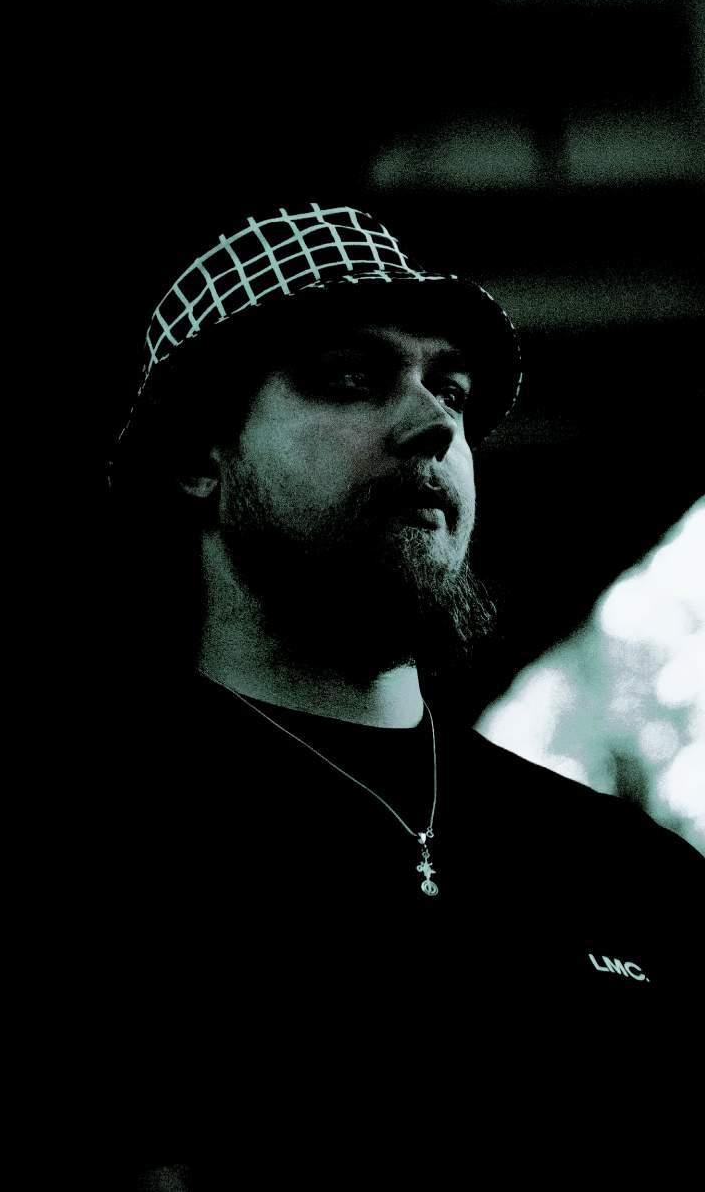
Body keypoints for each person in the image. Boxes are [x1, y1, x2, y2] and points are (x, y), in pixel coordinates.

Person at [93, 204, 703, 1189]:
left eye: (450, 391)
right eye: (349, 379)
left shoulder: (634, 878)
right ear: (201, 456)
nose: (434, 425)